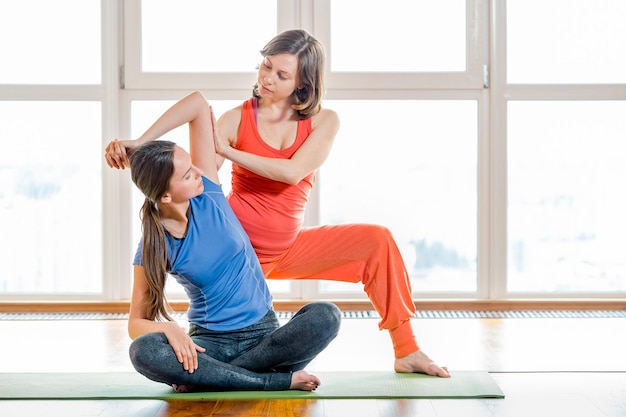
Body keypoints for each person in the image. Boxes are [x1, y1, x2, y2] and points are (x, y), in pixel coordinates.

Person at [106, 29, 449, 378]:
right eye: (266, 66)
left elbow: (293, 172)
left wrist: (229, 150)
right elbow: (190, 179)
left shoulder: (323, 121)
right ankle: (229, 368)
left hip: (288, 246)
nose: (267, 78)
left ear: (303, 83)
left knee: (377, 241)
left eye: (282, 75)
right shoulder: (237, 119)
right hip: (240, 252)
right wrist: (140, 144)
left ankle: (407, 350)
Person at [104, 91, 341, 392]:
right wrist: (169, 329)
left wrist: (139, 142)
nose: (201, 171)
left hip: (265, 337)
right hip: (208, 344)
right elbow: (135, 324)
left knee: (326, 315)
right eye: (188, 174)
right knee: (144, 351)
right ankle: (268, 380)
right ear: (166, 195)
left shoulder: (209, 195)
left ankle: (212, 377)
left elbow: (197, 104)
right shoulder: (154, 244)